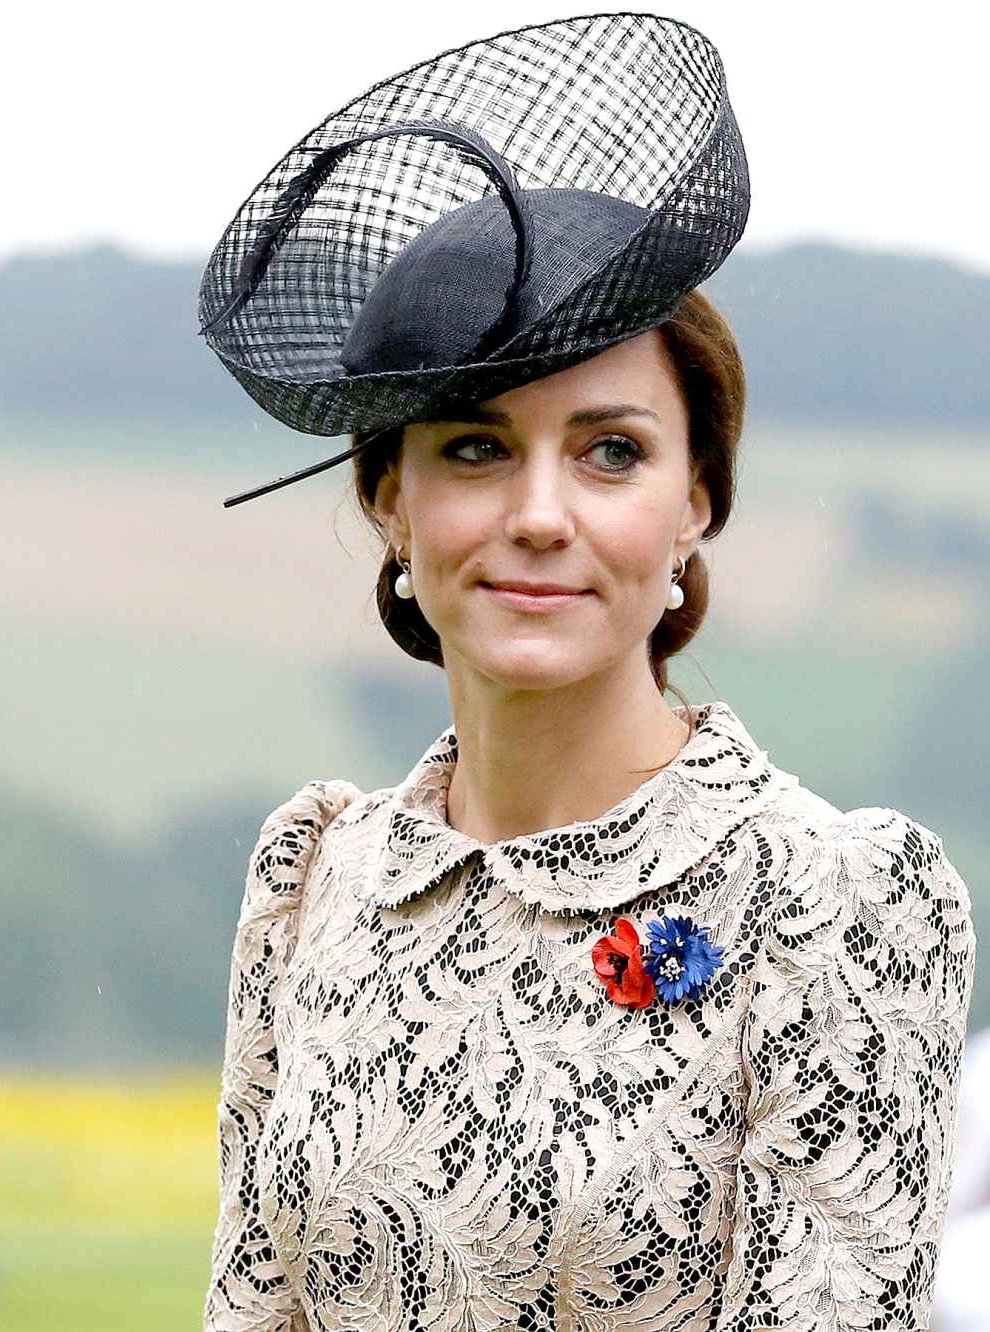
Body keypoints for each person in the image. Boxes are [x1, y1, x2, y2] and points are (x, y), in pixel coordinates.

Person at [197, 14, 977, 1331]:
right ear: (391, 499)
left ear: (697, 506)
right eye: (475, 449)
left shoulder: (838, 899)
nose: (542, 514)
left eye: (612, 452)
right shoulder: (311, 878)